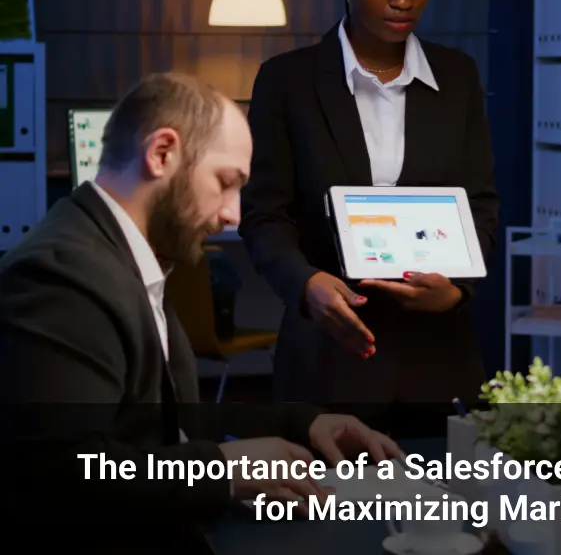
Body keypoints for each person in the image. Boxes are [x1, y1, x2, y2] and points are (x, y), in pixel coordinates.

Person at [0, 73, 401, 552]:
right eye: (225, 183)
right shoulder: (62, 274)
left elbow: (164, 423)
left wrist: (305, 424)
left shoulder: (120, 254)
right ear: (161, 153)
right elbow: (66, 475)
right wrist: (225, 471)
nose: (233, 213)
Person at [238, 0, 498, 436]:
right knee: (324, 521)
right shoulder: (286, 82)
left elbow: (481, 209)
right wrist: (306, 283)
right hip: (327, 369)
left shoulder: (458, 78)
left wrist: (458, 290)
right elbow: (264, 216)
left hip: (438, 366)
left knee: (450, 518)